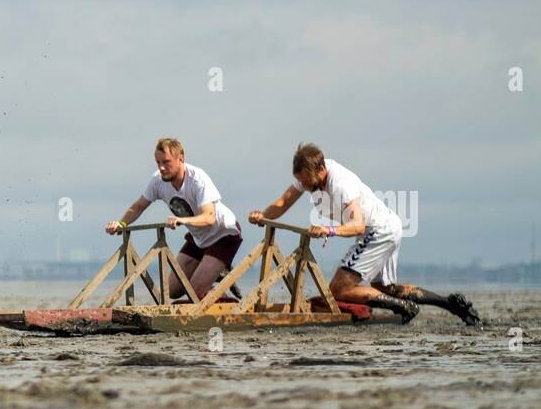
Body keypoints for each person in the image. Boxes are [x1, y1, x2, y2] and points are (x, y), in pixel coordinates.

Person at [249, 143, 480, 325]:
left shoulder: (341, 184)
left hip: (377, 230)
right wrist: (263, 216)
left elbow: (357, 226)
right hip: (387, 226)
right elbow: (283, 202)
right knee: (385, 288)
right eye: (300, 182)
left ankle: (402, 307)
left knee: (339, 289)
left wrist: (328, 230)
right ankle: (449, 303)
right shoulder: (309, 174)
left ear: (321, 170)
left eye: (307, 182)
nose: (304, 187)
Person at [104, 138, 245, 299]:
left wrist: (182, 220)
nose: (162, 168)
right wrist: (121, 223)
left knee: (196, 292)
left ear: (181, 158)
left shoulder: (197, 179)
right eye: (158, 163)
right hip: (199, 238)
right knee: (171, 291)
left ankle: (225, 301)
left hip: (223, 234)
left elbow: (209, 217)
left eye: (166, 162)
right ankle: (214, 274)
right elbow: (139, 206)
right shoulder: (158, 180)